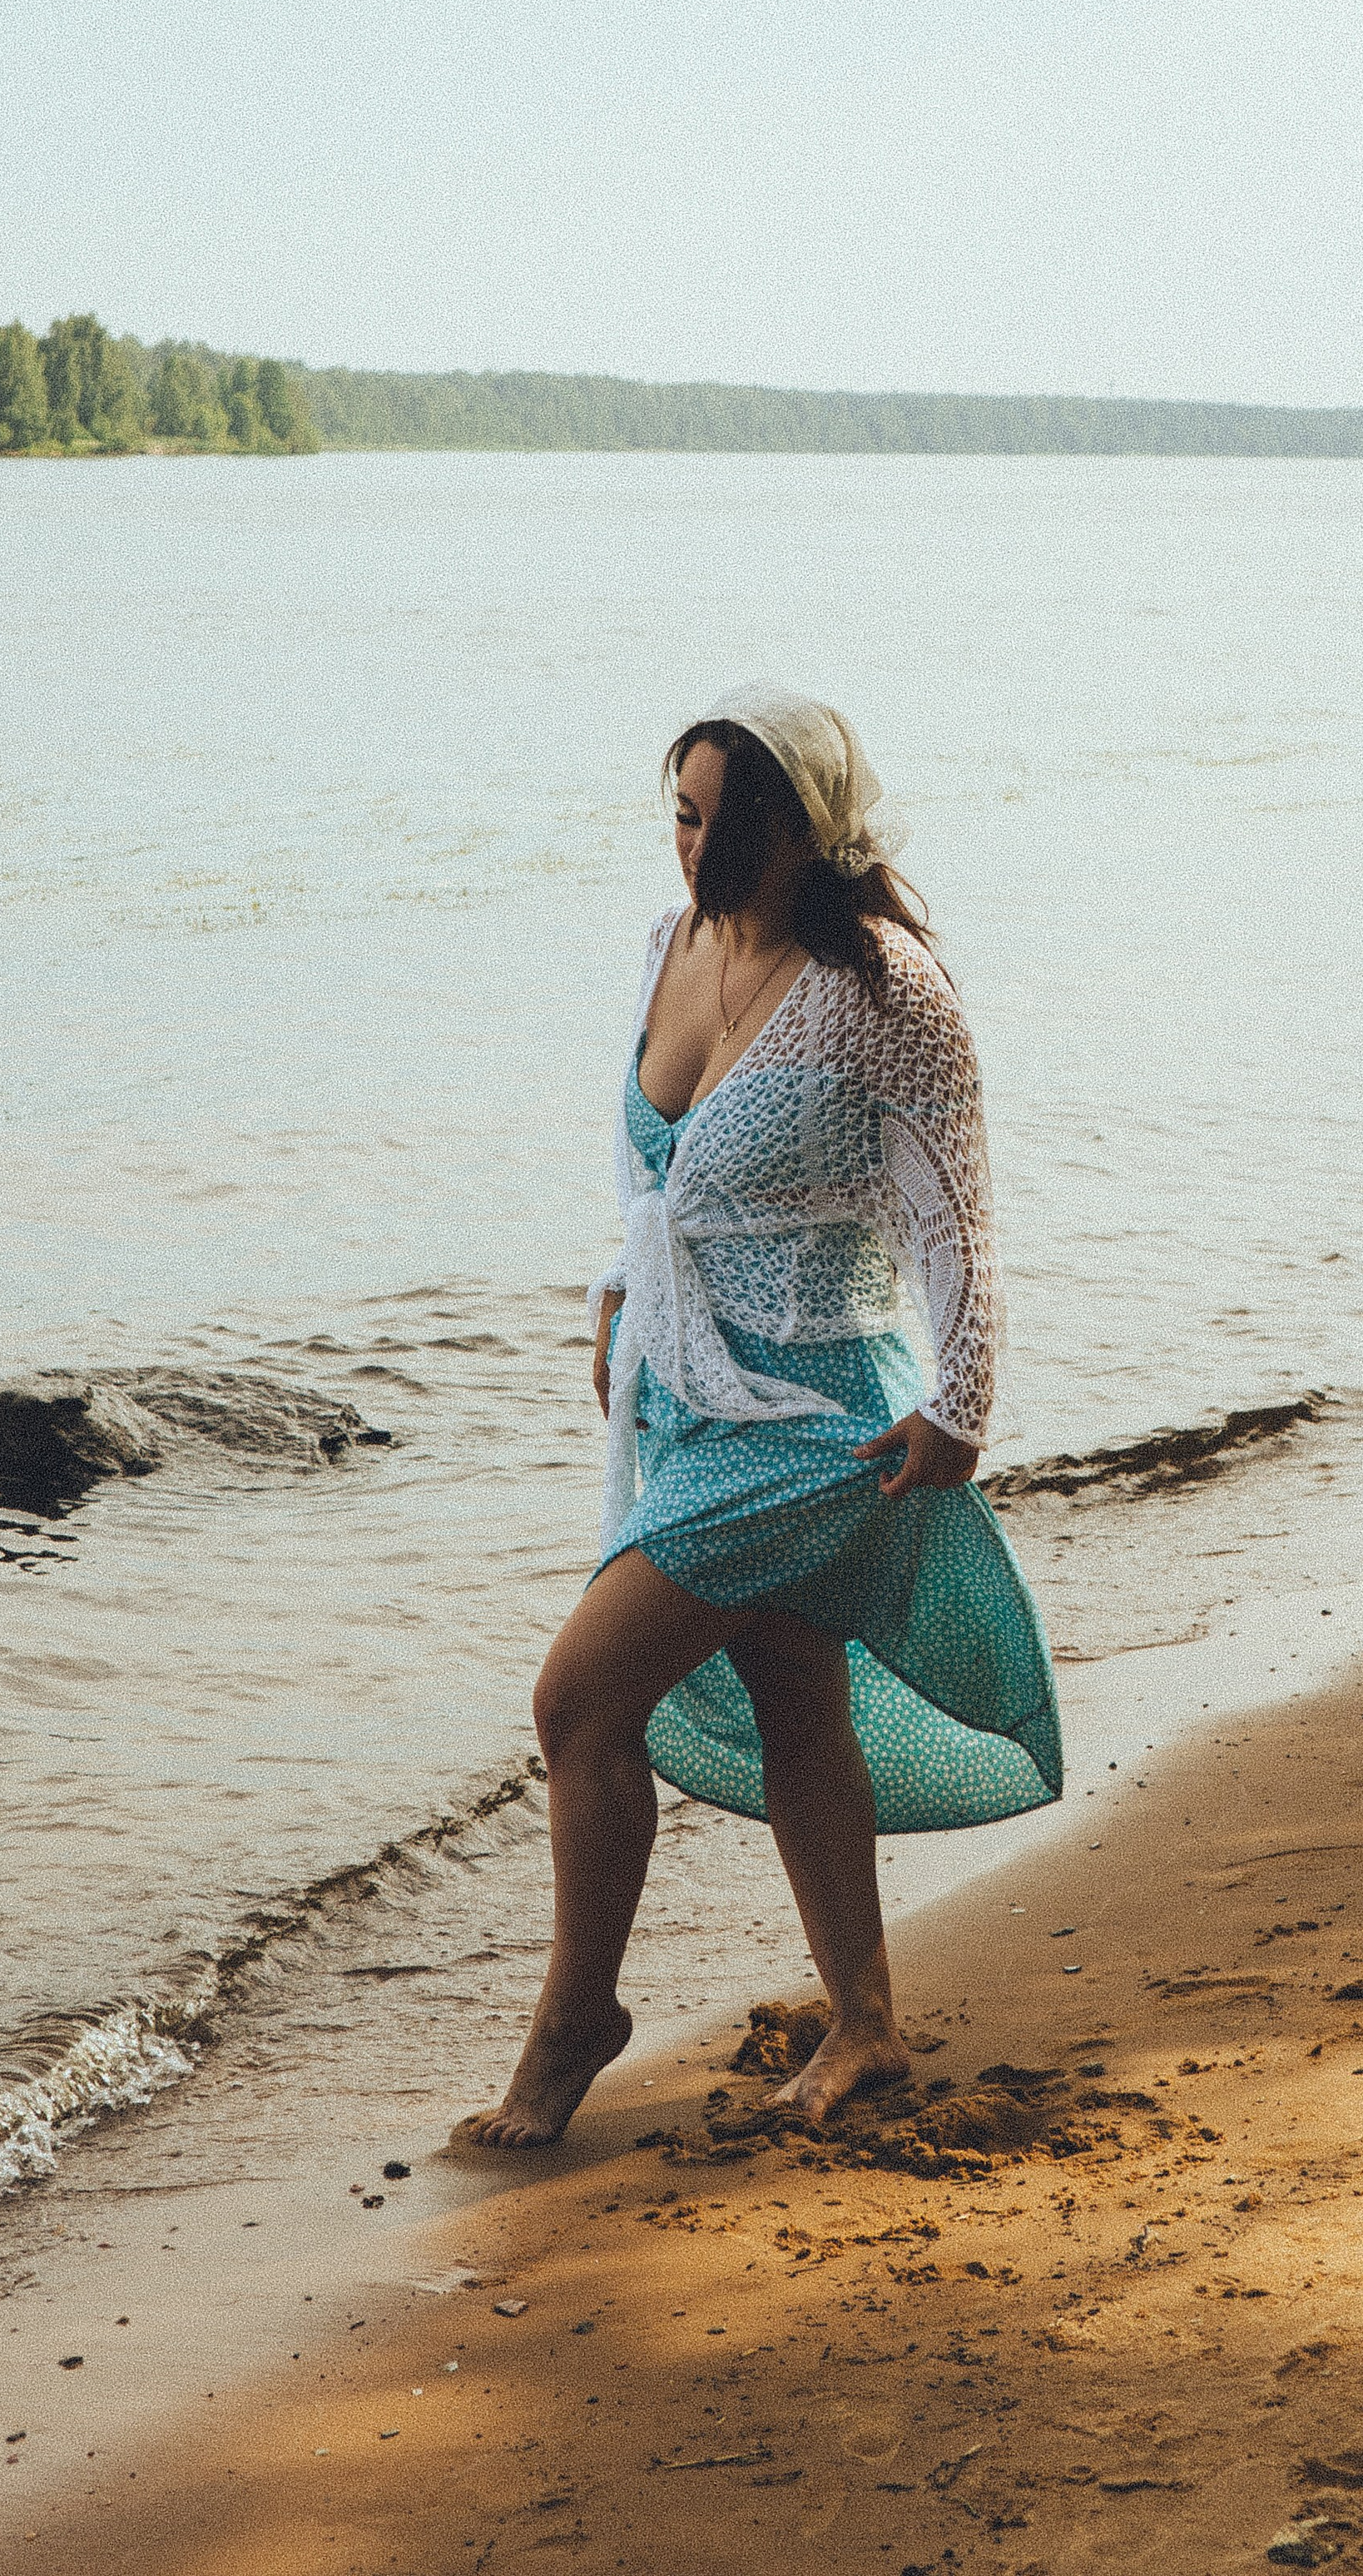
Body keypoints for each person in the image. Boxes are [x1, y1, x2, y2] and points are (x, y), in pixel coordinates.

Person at [465, 686, 1061, 2147]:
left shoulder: (884, 990)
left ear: (810, 833)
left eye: (729, 828)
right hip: (682, 1398)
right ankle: (868, 2023)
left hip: (812, 1415)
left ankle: (574, 2023)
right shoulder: (669, 947)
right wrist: (619, 1297)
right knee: (797, 1698)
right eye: (682, 817)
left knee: (577, 1703)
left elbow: (959, 1217)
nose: (698, 850)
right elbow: (658, 1182)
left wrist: (963, 1405)